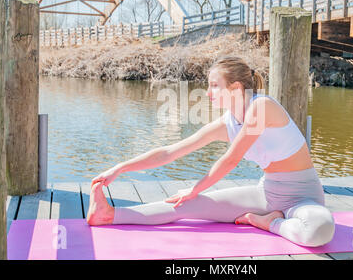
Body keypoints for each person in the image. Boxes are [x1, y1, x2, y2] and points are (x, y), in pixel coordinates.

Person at [87, 56, 335, 247]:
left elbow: (231, 160)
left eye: (214, 85)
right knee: (183, 206)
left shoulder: (262, 107)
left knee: (319, 229)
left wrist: (195, 188)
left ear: (236, 88)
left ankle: (270, 223)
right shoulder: (227, 123)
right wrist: (120, 168)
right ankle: (109, 214)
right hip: (267, 194)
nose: (207, 93)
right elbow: (170, 152)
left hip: (304, 197)